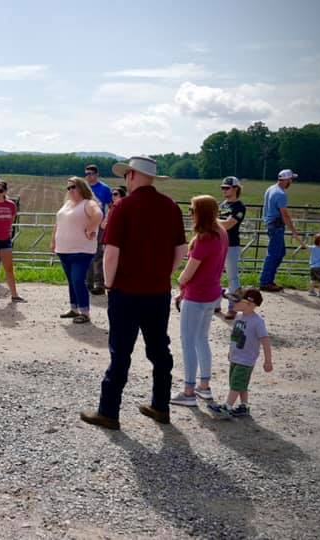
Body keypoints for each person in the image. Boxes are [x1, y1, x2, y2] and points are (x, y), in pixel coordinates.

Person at [80, 156, 186, 430]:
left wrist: (109, 284)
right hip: (158, 291)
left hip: (126, 291)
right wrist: (164, 274)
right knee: (159, 350)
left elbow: (111, 253)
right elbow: (181, 250)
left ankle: (109, 411)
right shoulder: (171, 207)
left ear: (132, 176)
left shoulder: (124, 207)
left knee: (121, 351)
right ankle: (161, 405)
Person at [170, 195, 228, 408]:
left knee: (188, 342)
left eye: (192, 210)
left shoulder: (204, 239)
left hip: (196, 295)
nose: (190, 214)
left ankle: (188, 391)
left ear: (200, 213)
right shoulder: (221, 233)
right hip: (212, 293)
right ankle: (204, 386)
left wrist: (180, 283)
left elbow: (188, 272)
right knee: (201, 339)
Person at [208, 289, 272, 419]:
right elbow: (236, 337)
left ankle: (227, 407)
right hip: (236, 358)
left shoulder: (257, 322)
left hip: (246, 360)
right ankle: (244, 406)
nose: (232, 305)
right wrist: (231, 351)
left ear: (250, 304)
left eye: (236, 302)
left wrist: (268, 361)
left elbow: (265, 341)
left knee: (236, 383)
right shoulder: (238, 317)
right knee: (240, 384)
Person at [51, 176, 102, 323]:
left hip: (81, 250)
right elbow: (58, 223)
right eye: (68, 188)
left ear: (81, 187)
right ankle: (74, 308)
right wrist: (53, 240)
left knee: (78, 280)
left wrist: (90, 228)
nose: (70, 190)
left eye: (73, 187)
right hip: (63, 249)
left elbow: (98, 214)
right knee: (72, 281)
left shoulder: (88, 203)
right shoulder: (67, 204)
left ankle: (85, 312)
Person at [259, 169, 303, 292]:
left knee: (279, 252)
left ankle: (268, 280)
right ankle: (266, 282)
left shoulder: (271, 189)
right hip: (276, 226)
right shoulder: (281, 194)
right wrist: (293, 231)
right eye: (291, 180)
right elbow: (285, 215)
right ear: (286, 180)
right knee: (274, 254)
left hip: (271, 224)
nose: (291, 182)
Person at [218, 177, 246, 319]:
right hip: (219, 244)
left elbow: (229, 225)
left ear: (236, 189)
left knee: (232, 278)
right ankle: (215, 303)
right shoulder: (222, 205)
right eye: (222, 188)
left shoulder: (239, 207)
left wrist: (210, 220)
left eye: (227, 188)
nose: (224, 190)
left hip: (231, 245)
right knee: (216, 275)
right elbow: (222, 223)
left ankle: (233, 307)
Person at [84, 164, 114, 295]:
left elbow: (111, 206)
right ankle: (88, 282)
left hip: (100, 225)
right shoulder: (84, 188)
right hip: (86, 224)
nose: (88, 176)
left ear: (97, 174)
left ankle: (99, 284)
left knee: (97, 255)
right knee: (86, 253)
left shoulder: (105, 189)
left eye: (91, 174)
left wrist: (106, 221)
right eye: (86, 174)